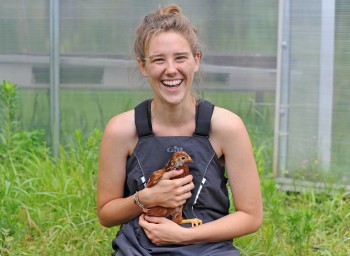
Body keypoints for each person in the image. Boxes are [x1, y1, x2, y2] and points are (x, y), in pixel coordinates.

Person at [97, 4, 263, 256]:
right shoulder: (121, 130)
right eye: (158, 60)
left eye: (180, 57)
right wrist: (147, 197)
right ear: (143, 66)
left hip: (210, 250)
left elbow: (250, 216)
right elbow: (106, 214)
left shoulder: (227, 127)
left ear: (196, 60)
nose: (171, 69)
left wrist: (184, 235)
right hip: (140, 249)